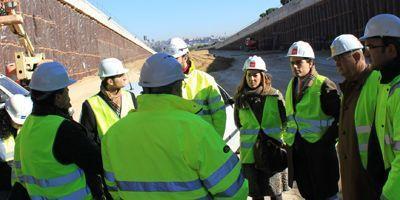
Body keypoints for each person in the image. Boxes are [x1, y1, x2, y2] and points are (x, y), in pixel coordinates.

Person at [101, 53, 248, 199]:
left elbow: (113, 190)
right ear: (178, 85)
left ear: (144, 88)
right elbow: (234, 190)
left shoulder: (112, 136)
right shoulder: (196, 130)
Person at [10, 62, 105, 199]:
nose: (68, 95)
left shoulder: (27, 126)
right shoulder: (65, 130)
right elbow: (98, 163)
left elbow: (20, 177)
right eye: (66, 90)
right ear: (58, 98)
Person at [283, 41, 341, 199]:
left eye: (299, 62)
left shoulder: (324, 85)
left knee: (327, 193)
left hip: (321, 155)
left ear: (310, 62)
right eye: (292, 63)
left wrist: (324, 143)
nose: (295, 66)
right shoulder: (292, 84)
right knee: (307, 192)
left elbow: (340, 119)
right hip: (299, 153)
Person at [330, 34, 382, 199]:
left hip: (371, 179)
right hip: (352, 175)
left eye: (340, 59)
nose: (337, 65)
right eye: (335, 60)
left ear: (357, 56)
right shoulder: (350, 86)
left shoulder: (376, 82)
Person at [234, 55, 287, 200]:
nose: (252, 79)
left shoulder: (275, 96)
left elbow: (286, 121)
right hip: (250, 156)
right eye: (249, 75)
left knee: (275, 193)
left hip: (271, 153)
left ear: (262, 75)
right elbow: (238, 123)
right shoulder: (240, 98)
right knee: (256, 194)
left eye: (255, 75)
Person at [360, 13, 400, 200]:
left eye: (371, 46)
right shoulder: (386, 84)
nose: (366, 53)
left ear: (391, 50)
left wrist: (388, 194)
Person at [164, 37, 226, 136]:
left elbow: (219, 114)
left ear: (185, 57)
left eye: (175, 59)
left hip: (204, 141)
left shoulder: (205, 80)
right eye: (169, 60)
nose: (171, 63)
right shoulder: (164, 83)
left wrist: (216, 142)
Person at [81, 57, 136, 144]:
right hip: (108, 156)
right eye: (120, 75)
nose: (125, 77)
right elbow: (88, 138)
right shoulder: (90, 104)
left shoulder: (130, 96)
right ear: (110, 81)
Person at [0, 94, 32, 197]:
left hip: (22, 184)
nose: (21, 125)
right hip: (4, 186)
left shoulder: (26, 125)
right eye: (18, 122)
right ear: (8, 114)